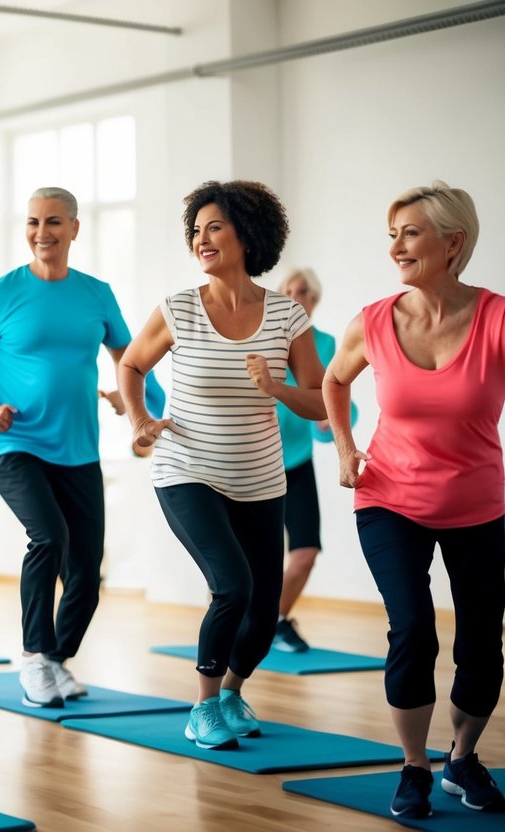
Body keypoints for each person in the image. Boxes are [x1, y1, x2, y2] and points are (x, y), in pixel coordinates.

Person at [117, 180, 325, 751]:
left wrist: (276, 387)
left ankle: (232, 691)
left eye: (214, 227)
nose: (201, 239)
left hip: (260, 477)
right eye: (196, 230)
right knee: (231, 585)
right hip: (187, 468)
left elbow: (320, 398)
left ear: (247, 234)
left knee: (263, 606)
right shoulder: (179, 308)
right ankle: (203, 705)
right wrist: (139, 421)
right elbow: (131, 366)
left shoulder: (287, 317)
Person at [324, 181, 504, 818]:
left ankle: (462, 757)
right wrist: (345, 447)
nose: (397, 247)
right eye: (393, 234)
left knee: (483, 641)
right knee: (414, 629)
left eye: (411, 233)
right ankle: (414, 767)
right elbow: (334, 379)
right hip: (389, 498)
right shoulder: (372, 322)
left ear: (453, 242)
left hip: (479, 503)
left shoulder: (498, 318)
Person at [0, 187, 137, 710]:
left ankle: (56, 660)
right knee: (48, 537)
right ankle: (33, 658)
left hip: (79, 450)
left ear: (74, 228)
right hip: (15, 445)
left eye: (53, 221)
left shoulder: (97, 294)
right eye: (32, 221)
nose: (41, 232)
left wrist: (134, 404)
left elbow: (130, 357)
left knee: (87, 572)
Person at [272, 268, 356, 653]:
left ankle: (272, 621)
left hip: (298, 462)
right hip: (256, 460)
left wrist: (327, 423)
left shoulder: (325, 344)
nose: (294, 296)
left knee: (305, 554)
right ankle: (245, 623)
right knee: (245, 560)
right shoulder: (265, 339)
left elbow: (342, 409)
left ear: (314, 300)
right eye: (287, 290)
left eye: (302, 291)